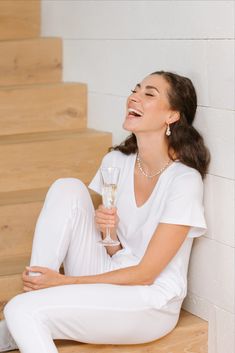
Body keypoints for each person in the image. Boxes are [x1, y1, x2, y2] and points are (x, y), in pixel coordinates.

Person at [0, 70, 210, 353]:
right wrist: (109, 234)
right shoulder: (116, 161)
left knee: (19, 311)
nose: (134, 97)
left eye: (149, 94)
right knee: (68, 187)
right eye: (135, 90)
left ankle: (40, 301)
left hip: (149, 300)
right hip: (114, 270)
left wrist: (66, 283)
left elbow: (146, 273)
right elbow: (117, 251)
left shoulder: (184, 181)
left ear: (171, 116)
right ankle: (40, 285)